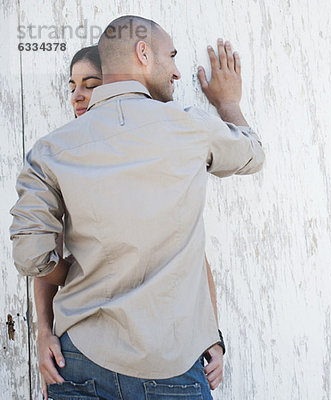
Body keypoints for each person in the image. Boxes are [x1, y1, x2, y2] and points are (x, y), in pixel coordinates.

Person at [11, 14, 264, 400]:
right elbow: (252, 155)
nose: (177, 71)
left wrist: (80, 275)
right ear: (143, 53)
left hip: (78, 360)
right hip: (172, 363)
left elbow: (32, 257)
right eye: (172, 56)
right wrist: (228, 102)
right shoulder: (190, 127)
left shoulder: (49, 150)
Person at [35, 45, 226, 399]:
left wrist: (211, 334)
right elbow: (44, 257)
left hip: (167, 357)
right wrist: (44, 332)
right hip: (81, 354)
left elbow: (195, 258)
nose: (78, 95)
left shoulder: (157, 149)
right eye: (73, 85)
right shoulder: (62, 159)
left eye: (90, 84)